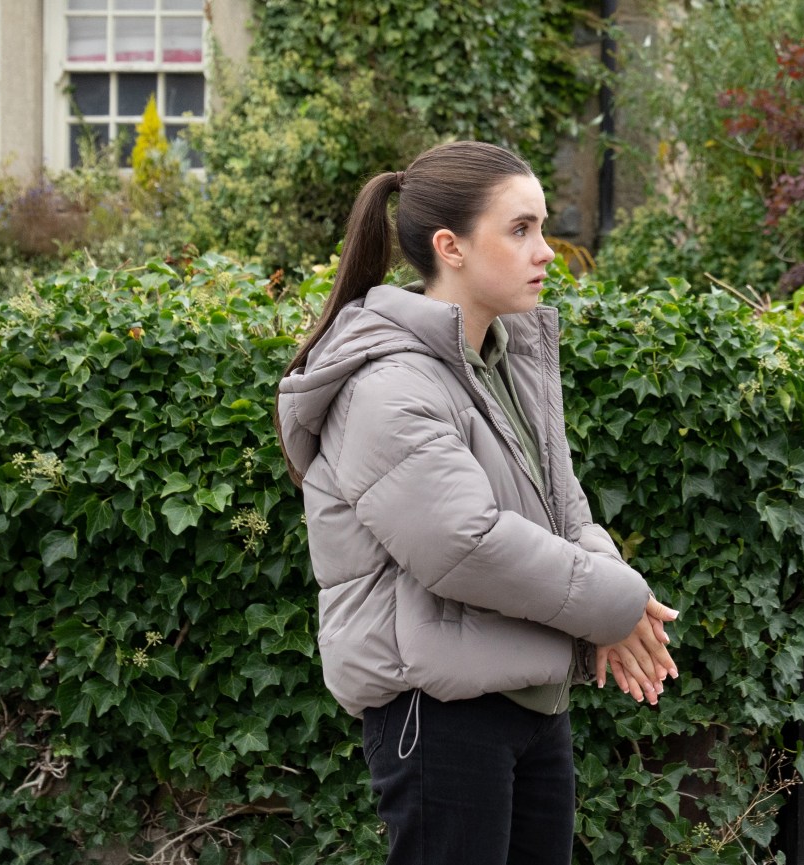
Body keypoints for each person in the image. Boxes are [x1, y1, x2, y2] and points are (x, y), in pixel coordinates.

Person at [275, 140, 679, 865]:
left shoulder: (503, 362)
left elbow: (565, 507)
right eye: (520, 229)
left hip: (530, 704)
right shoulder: (388, 384)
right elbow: (466, 544)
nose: (546, 251)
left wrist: (615, 602)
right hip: (440, 715)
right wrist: (614, 605)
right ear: (450, 247)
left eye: (542, 227)